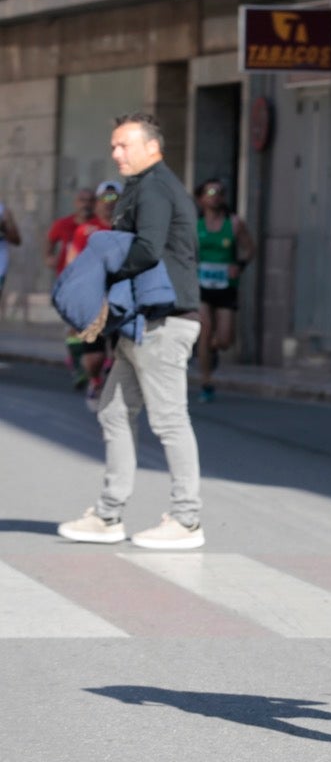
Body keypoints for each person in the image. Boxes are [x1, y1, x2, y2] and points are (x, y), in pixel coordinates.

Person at [56, 114, 206, 551]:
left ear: (151, 148)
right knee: (114, 412)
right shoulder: (143, 186)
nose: (116, 153)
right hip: (141, 322)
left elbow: (146, 249)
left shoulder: (156, 187)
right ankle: (107, 514)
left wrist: (99, 272)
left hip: (163, 321)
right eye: (114, 145)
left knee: (170, 421)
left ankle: (186, 519)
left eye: (123, 145)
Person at [194, 178, 257, 403]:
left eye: (219, 191)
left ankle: (210, 350)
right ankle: (206, 380)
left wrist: (238, 265)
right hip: (201, 285)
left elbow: (250, 249)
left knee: (224, 340)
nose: (214, 195)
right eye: (209, 191)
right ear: (200, 198)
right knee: (205, 328)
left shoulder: (234, 224)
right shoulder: (195, 225)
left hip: (225, 286)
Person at [47, 187, 108, 393]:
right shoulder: (64, 224)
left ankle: (88, 362)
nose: (86, 204)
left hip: (93, 287)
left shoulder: (100, 226)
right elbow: (49, 245)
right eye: (82, 200)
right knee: (73, 327)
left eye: (91, 200)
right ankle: (78, 364)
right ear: (75, 202)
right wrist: (50, 258)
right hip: (68, 282)